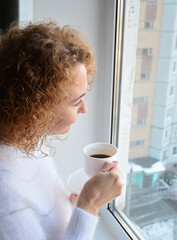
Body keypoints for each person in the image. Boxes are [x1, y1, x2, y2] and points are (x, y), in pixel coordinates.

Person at [0, 22, 123, 240]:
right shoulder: (4, 193)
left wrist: (76, 202)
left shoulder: (29, 138)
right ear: (37, 107)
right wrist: (89, 205)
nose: (84, 109)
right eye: (76, 102)